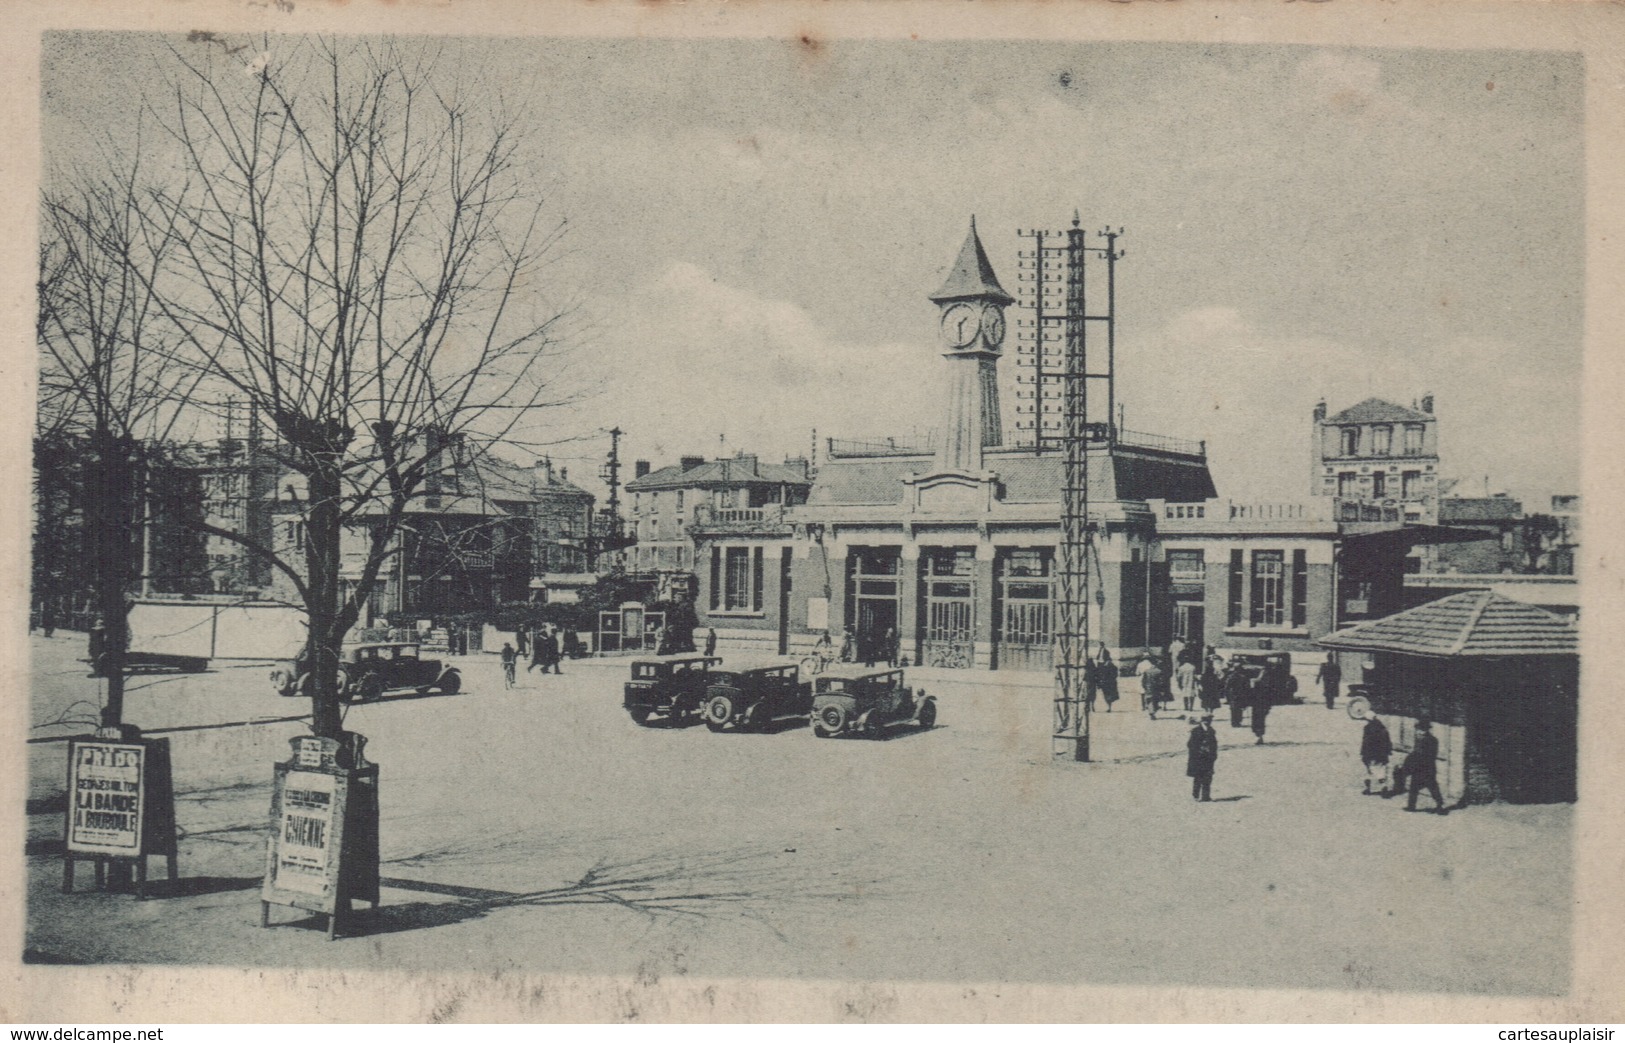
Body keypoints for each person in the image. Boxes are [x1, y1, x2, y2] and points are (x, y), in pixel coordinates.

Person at [1402, 720, 1447, 813]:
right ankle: (1411, 806)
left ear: (1426, 730)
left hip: (1427, 767)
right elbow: (1416, 753)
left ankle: (1440, 805)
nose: (1418, 732)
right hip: (1420, 767)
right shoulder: (1420, 739)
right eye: (1417, 730)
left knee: (1432, 787)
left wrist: (1414, 761)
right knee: (1415, 787)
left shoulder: (1431, 740)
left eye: (1421, 730)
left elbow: (1428, 755)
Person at [1186, 714, 1219, 801]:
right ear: (1202, 721)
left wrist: (1213, 755)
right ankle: (1195, 795)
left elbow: (1214, 744)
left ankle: (1206, 796)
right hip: (1198, 758)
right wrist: (1200, 749)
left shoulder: (1212, 731)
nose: (1208, 723)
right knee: (1198, 777)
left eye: (1209, 721)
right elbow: (1190, 744)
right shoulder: (1196, 731)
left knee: (1208, 777)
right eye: (1206, 721)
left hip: (1208, 758)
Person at [1361, 713, 1393, 795]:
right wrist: (1388, 751)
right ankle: (1383, 787)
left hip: (1370, 753)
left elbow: (1365, 742)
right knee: (1381, 770)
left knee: (1369, 771)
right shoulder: (1383, 728)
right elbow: (1388, 742)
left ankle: (1368, 789)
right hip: (1382, 754)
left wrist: (1363, 753)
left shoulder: (1368, 728)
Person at [1251, 665, 1275, 744]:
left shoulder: (1264, 687)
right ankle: (1259, 736)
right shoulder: (1267, 687)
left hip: (1260, 705)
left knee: (1259, 721)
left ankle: (1259, 737)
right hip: (1259, 704)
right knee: (1258, 721)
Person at [1137, 654, 1165, 720]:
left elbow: (1143, 680)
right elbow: (1161, 681)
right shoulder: (1159, 671)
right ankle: (1153, 711)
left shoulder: (1146, 671)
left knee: (1149, 700)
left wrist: (1144, 687)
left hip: (1148, 688)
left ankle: (1151, 712)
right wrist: (1162, 689)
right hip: (1156, 688)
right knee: (1156, 700)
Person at [1224, 661, 1250, 728]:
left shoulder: (1231, 676)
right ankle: (1238, 721)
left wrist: (1227, 696)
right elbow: (1247, 687)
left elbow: (1227, 687)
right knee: (1239, 708)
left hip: (1233, 695)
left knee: (1234, 709)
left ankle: (1234, 722)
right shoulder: (1243, 677)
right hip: (1240, 694)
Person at [1096, 647, 1119, 711]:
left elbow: (1102, 675)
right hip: (1111, 683)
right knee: (1109, 695)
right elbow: (1115, 674)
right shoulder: (1113, 666)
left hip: (1107, 683)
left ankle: (1109, 706)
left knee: (1107, 695)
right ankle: (1109, 706)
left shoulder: (1104, 667)